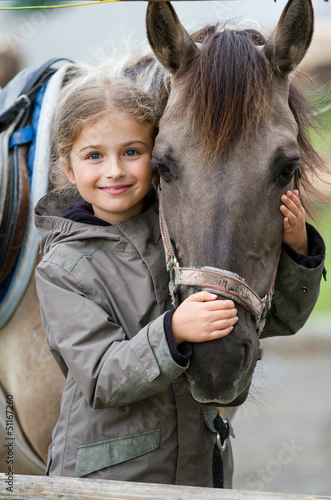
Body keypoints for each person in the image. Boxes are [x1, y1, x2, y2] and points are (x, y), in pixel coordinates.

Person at [34, 71, 325, 487]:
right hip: (106, 483)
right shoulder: (63, 268)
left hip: (197, 473)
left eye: (132, 152)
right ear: (68, 167)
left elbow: (276, 319)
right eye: (94, 156)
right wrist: (172, 332)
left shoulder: (182, 238)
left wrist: (297, 251)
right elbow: (100, 377)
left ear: (155, 157)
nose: (115, 171)